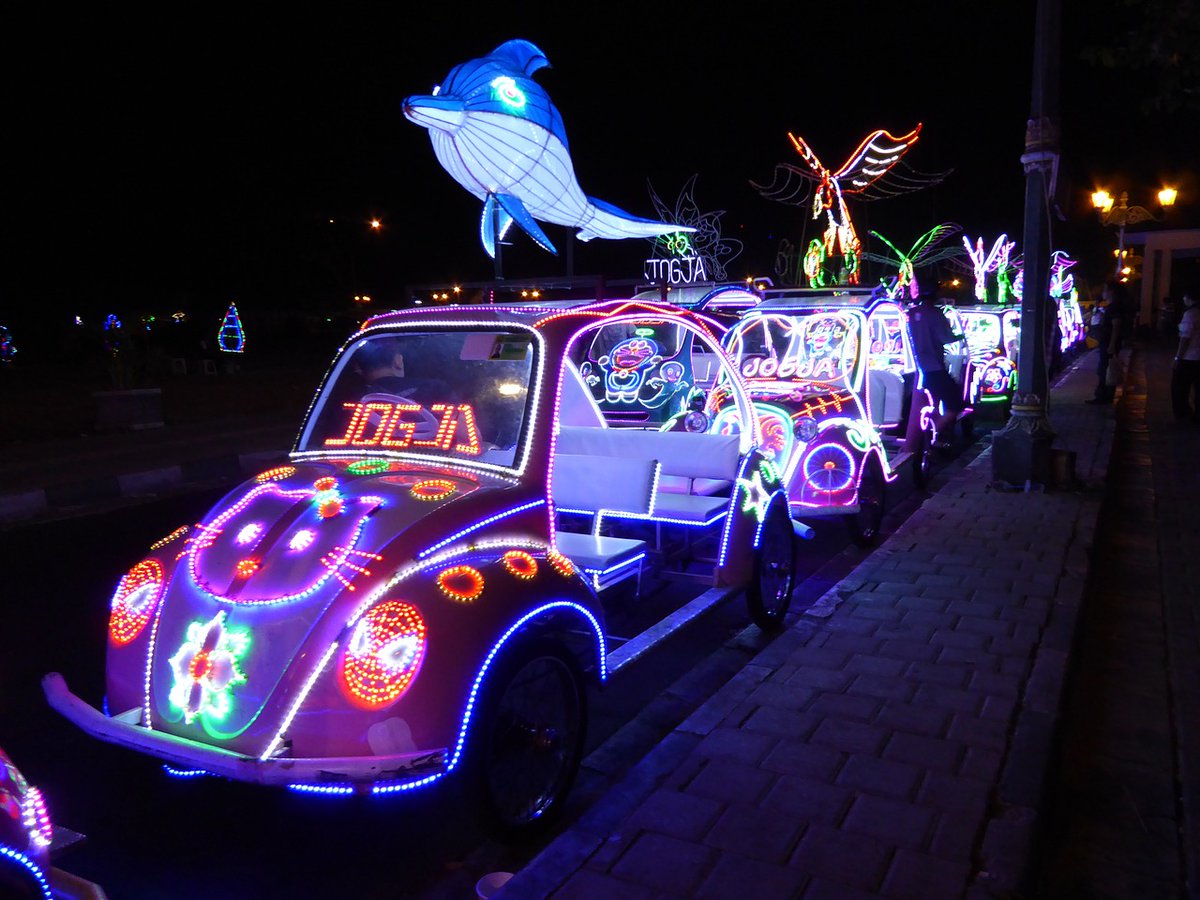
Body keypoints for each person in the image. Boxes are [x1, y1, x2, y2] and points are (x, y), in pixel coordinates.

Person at [907, 283, 964, 448]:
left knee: (934, 403)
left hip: (919, 368)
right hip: (935, 368)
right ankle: (935, 435)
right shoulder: (936, 314)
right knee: (955, 404)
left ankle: (933, 433)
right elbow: (946, 338)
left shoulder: (911, 313)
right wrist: (960, 336)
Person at [1087, 279, 1134, 404]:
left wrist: (1112, 343)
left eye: (1105, 290)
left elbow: (1116, 325)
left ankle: (1103, 396)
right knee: (1106, 368)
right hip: (1109, 342)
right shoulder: (1115, 306)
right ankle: (1105, 395)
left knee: (1105, 368)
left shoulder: (1114, 307)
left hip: (1109, 342)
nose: (1103, 293)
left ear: (1111, 292)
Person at [1171, 288, 1200, 422]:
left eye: (1184, 297)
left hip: (1189, 357)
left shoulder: (1190, 314)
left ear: (1189, 298)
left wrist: (1178, 357)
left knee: (1179, 388)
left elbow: (1185, 338)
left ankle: (1183, 414)